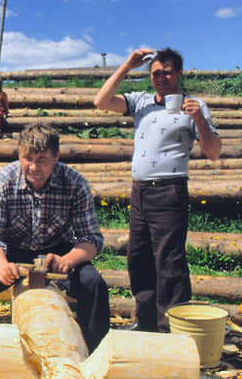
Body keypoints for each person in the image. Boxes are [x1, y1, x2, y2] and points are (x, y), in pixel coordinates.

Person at [94, 47, 222, 332]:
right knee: (138, 258)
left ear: (178, 73)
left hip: (169, 190)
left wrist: (199, 119)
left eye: (166, 72)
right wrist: (128, 64)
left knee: (169, 262)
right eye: (155, 73)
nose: (160, 77)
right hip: (139, 191)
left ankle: (172, 330)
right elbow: (101, 101)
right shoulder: (140, 102)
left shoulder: (194, 106)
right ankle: (147, 322)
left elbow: (213, 152)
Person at [0, 123, 109, 352]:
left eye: (41, 159)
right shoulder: (3, 181)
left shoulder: (75, 183)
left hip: (57, 251)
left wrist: (68, 260)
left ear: (56, 156)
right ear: (19, 154)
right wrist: (1, 266)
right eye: (27, 158)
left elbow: (91, 239)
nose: (33, 166)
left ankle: (95, 350)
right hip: (13, 250)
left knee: (93, 284)